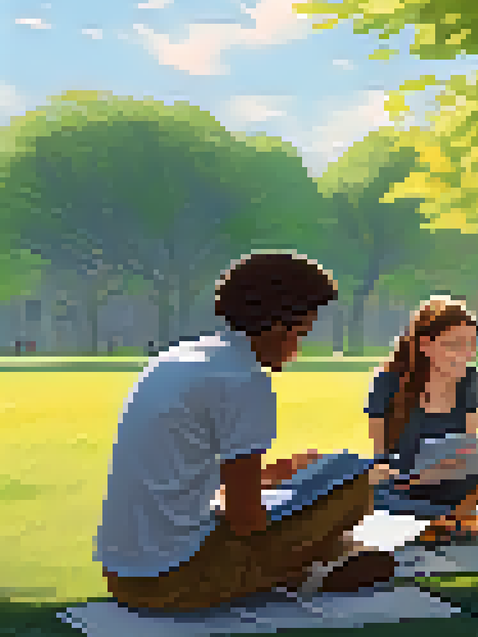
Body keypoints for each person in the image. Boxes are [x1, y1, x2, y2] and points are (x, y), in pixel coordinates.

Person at [96, 252, 396, 611]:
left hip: (123, 574)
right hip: (175, 579)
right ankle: (316, 565)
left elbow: (186, 478)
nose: (298, 348)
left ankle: (324, 560)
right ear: (279, 327)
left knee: (319, 489)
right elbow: (246, 521)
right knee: (353, 486)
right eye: (301, 333)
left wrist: (276, 476)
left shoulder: (179, 358)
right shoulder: (245, 381)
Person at [365, 296, 478, 544]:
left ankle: (445, 517)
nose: (466, 354)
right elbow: (379, 456)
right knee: (379, 494)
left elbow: (469, 444)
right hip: (401, 481)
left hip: (449, 480)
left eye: (471, 345)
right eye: (455, 345)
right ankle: (450, 518)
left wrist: (457, 464)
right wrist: (404, 475)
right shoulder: (389, 381)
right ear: (425, 345)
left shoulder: (472, 380)